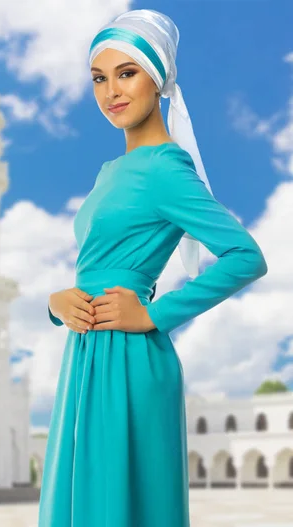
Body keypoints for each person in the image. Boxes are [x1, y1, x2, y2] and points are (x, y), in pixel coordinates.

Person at [40, 9, 268, 527]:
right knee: (86, 501)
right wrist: (56, 305)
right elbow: (94, 266)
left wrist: (155, 314)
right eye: (99, 78)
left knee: (122, 506)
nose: (110, 92)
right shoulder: (109, 172)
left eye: (127, 73)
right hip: (86, 353)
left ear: (158, 76)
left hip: (129, 356)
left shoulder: (166, 167)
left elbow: (245, 256)